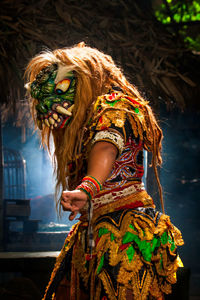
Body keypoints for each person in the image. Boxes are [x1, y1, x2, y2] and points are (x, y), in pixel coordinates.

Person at [25, 42, 183, 300]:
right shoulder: (83, 122)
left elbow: (108, 147)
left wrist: (87, 188)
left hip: (124, 234)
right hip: (92, 233)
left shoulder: (115, 106)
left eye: (62, 87)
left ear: (86, 79)